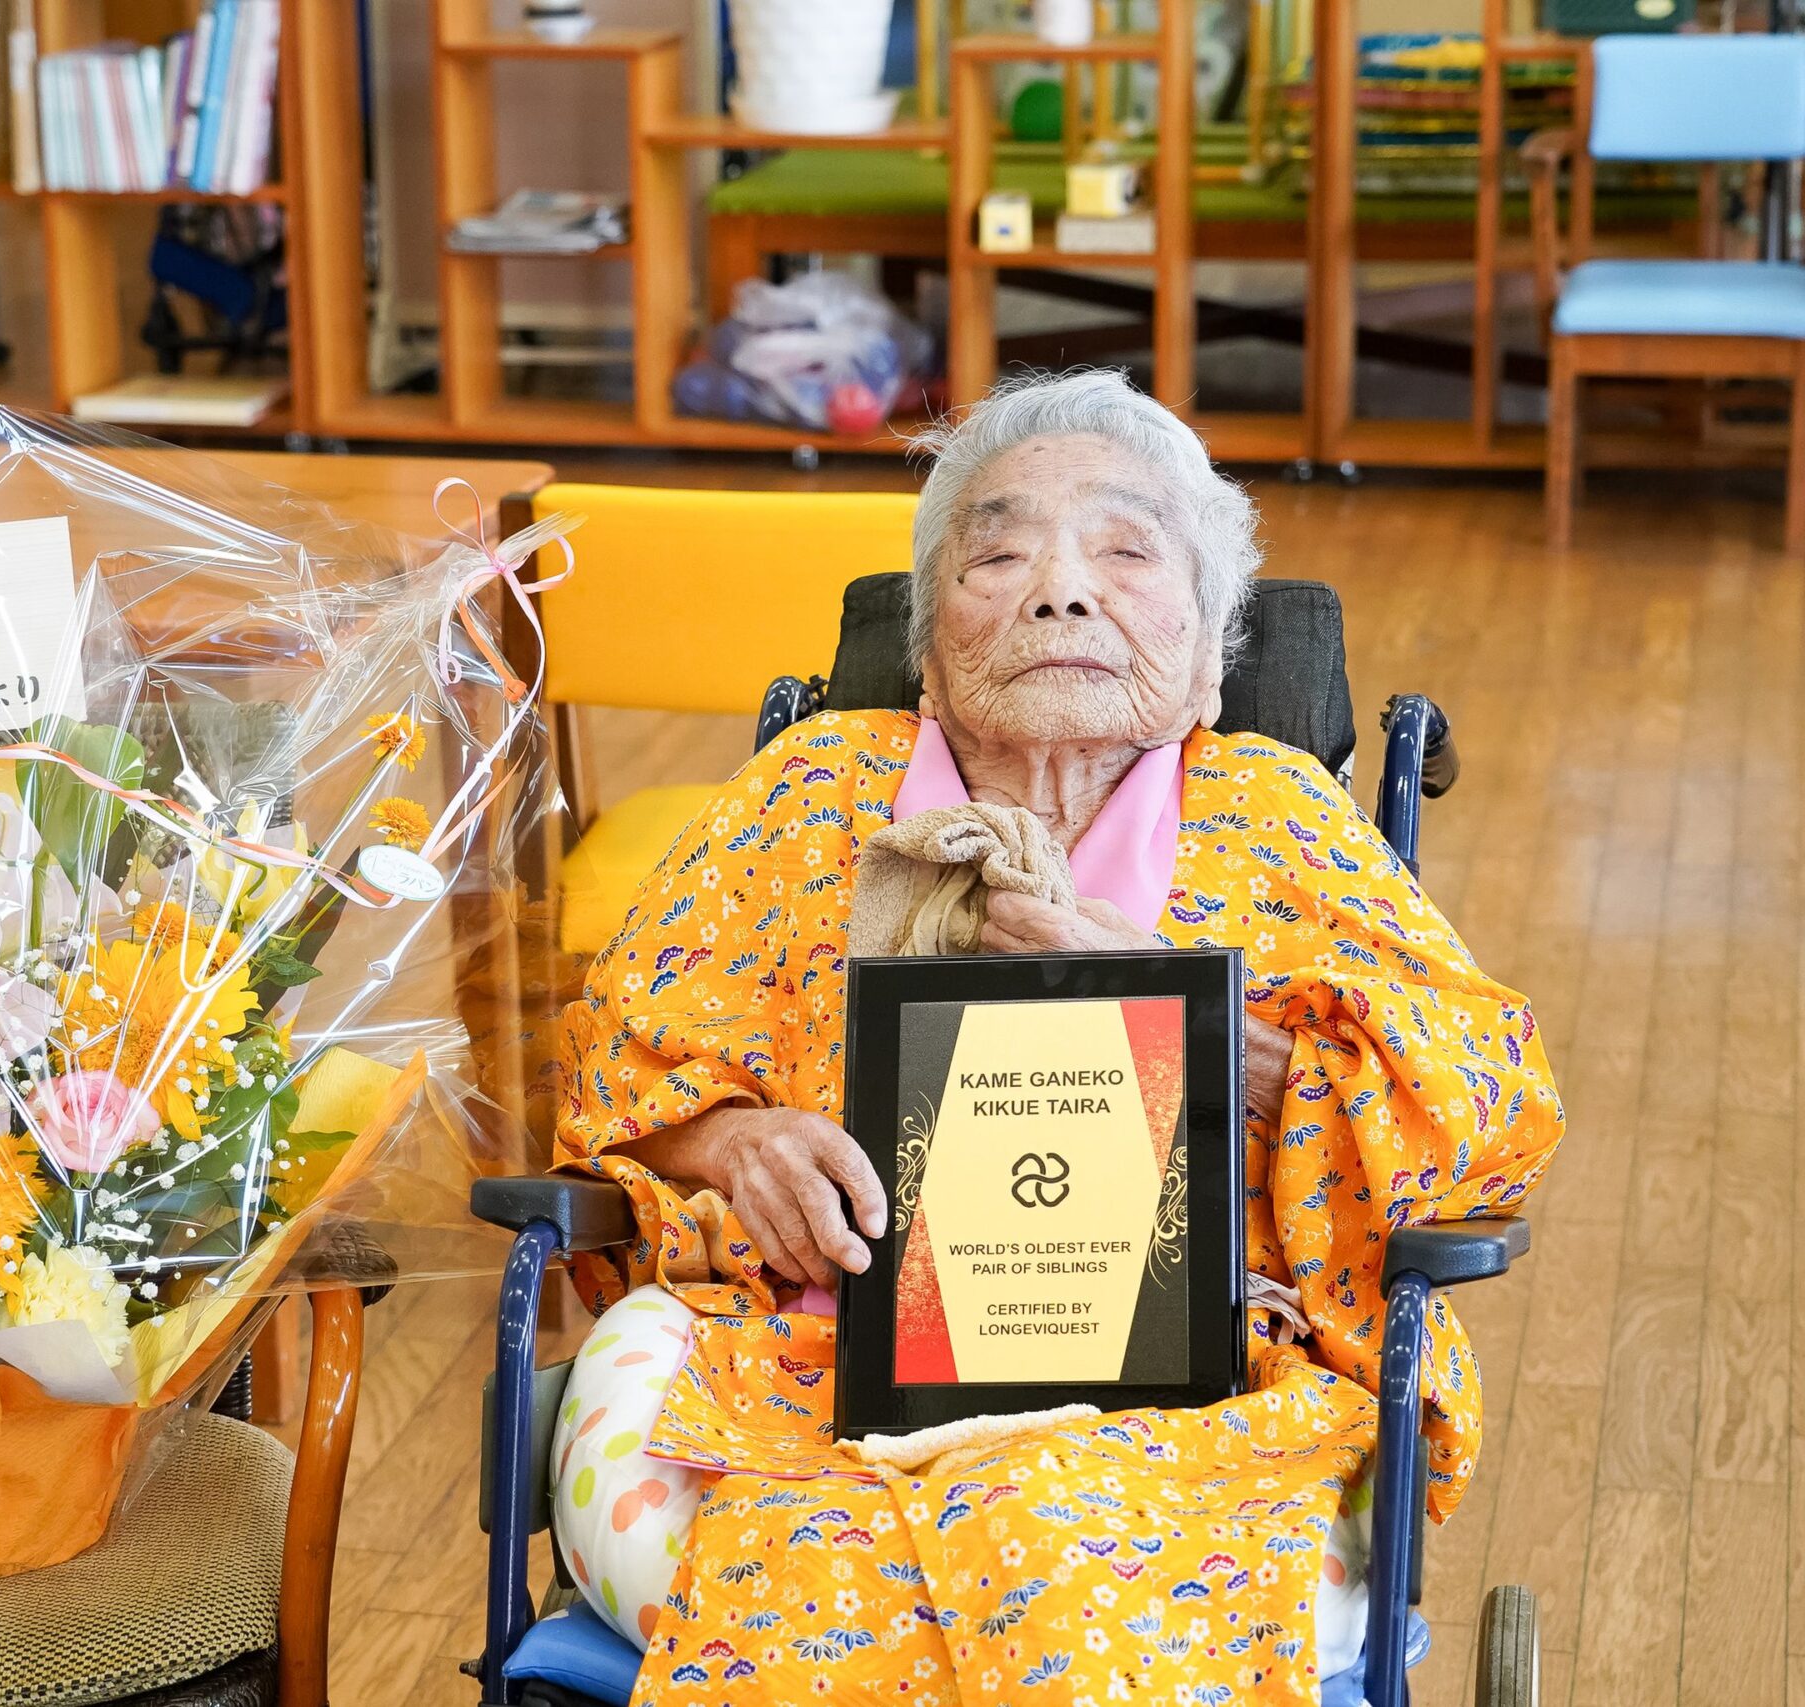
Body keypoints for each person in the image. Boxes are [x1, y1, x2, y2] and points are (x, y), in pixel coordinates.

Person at [550, 370, 1563, 1706]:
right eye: (1003, 550)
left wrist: (1205, 1027)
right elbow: (619, 1065)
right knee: (849, 1538)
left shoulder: (1281, 815)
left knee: (1037, 1529)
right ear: (929, 644)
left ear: (1207, 653)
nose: (1061, 590)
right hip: (812, 1367)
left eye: (1129, 551)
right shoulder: (808, 797)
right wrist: (742, 1146)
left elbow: (1488, 1110)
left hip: (1201, 1397)